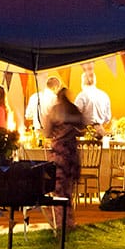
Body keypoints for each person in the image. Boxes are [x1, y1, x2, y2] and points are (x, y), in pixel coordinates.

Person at [44, 87, 84, 232]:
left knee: (57, 189)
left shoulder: (55, 110)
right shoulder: (74, 110)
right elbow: (83, 128)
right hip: (71, 154)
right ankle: (69, 221)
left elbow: (47, 132)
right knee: (68, 190)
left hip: (59, 155)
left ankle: (60, 222)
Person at [75, 65, 112, 136]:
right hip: (101, 131)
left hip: (85, 132)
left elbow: (76, 116)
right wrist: (99, 127)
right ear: (95, 81)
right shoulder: (104, 95)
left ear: (82, 82)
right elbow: (107, 118)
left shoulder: (81, 96)